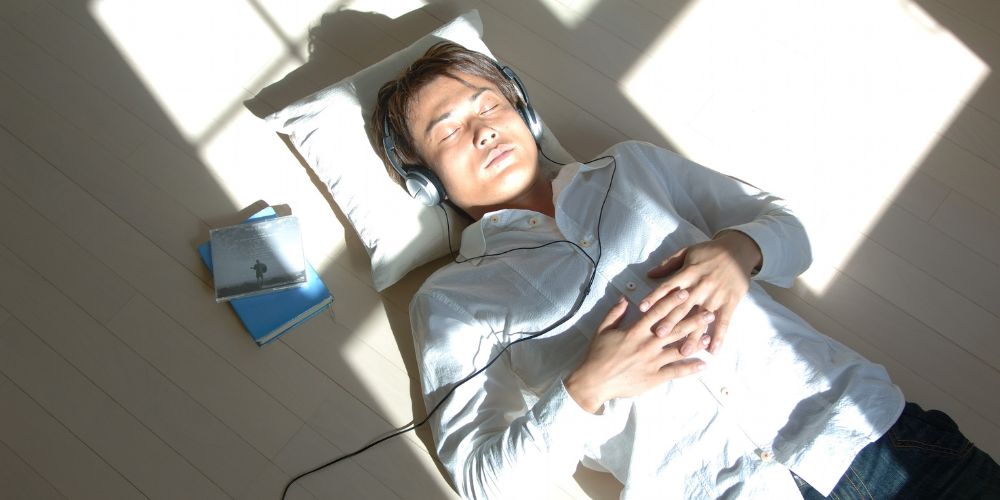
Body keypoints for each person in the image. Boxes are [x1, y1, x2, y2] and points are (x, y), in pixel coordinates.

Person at [372, 42, 1000, 499]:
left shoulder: (634, 167)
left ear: (524, 113)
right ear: (424, 181)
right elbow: (484, 483)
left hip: (874, 439)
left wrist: (740, 250)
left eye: (489, 107)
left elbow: (792, 234)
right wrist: (585, 389)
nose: (482, 131)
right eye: (447, 130)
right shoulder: (452, 301)